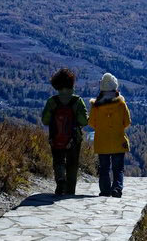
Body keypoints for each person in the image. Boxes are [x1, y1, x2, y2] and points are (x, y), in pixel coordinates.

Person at [41, 68, 88, 196]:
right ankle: (70, 190)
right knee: (72, 164)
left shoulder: (52, 101)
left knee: (58, 161)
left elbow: (45, 121)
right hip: (74, 138)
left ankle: (60, 181)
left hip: (55, 137)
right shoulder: (77, 101)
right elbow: (84, 121)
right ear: (71, 83)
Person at [88, 72, 131, 198]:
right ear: (115, 86)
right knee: (118, 169)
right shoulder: (121, 104)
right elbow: (127, 122)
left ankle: (105, 191)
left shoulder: (95, 106)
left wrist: (102, 128)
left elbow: (91, 122)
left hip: (102, 141)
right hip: (118, 140)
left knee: (104, 168)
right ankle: (117, 189)